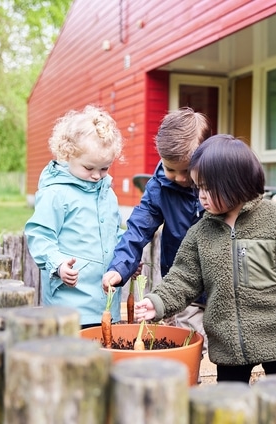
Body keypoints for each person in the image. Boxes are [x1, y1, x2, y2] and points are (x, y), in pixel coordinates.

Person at [133, 134, 276, 383]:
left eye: (210, 188)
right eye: (199, 187)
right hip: (228, 340)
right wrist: (158, 302)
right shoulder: (200, 233)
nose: (202, 196)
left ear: (237, 184)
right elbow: (183, 277)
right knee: (230, 403)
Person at [102, 107, 211, 351]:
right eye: (171, 169)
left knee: (222, 345)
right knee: (189, 342)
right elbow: (137, 230)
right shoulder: (159, 188)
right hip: (183, 285)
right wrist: (119, 267)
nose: (180, 178)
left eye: (187, 170)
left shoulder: (219, 183)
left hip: (220, 284)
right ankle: (189, 382)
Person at [25, 105, 125, 328]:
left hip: (106, 306)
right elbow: (40, 235)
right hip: (69, 307)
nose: (97, 176)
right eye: (89, 167)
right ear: (68, 154)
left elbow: (114, 233)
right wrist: (58, 264)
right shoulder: (56, 193)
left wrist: (125, 261)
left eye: (105, 169)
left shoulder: (108, 194)